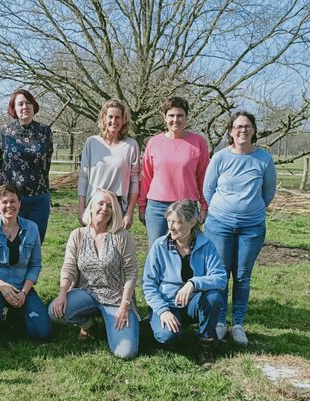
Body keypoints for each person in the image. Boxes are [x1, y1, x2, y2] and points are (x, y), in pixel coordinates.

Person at [203, 111, 277, 346]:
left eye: (247, 126)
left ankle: (238, 324)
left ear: (253, 130)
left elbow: (268, 193)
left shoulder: (263, 159)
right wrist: (226, 210)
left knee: (243, 276)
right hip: (219, 224)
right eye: (237, 126)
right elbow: (208, 190)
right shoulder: (220, 157)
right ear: (230, 131)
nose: (242, 130)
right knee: (221, 274)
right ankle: (220, 322)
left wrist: (248, 210)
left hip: (251, 227)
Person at [49, 189, 139, 359]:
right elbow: (69, 267)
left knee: (125, 353)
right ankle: (89, 326)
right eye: (100, 203)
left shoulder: (122, 236)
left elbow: (131, 272)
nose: (104, 209)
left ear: (114, 212)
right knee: (55, 312)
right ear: (90, 207)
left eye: (110, 206)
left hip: (116, 298)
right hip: (87, 293)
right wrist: (62, 294)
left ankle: (111, 323)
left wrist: (125, 305)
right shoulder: (77, 235)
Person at [142, 200, 226, 368]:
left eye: (177, 222)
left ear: (192, 222)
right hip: (167, 304)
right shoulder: (159, 246)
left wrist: (193, 283)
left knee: (214, 296)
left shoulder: (206, 245)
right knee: (167, 337)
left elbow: (220, 278)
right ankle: (153, 323)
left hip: (193, 304)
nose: (171, 227)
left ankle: (205, 345)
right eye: (169, 221)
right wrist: (163, 310)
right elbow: (148, 284)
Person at [0, 184, 52, 340]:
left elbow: (35, 265)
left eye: (13, 201)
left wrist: (24, 293)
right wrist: (2, 286)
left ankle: (15, 314)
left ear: (20, 203)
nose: (9, 206)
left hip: (21, 286)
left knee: (42, 332)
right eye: (4, 202)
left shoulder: (32, 228)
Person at [138, 97, 210, 248]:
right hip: (157, 207)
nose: (175, 120)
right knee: (158, 250)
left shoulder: (198, 142)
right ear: (164, 117)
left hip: (187, 206)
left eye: (180, 115)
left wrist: (204, 206)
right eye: (171, 115)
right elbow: (145, 177)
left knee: (186, 251)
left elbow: (204, 177)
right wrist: (142, 206)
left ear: (186, 118)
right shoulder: (154, 142)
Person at [0, 89, 53, 242]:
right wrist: (4, 191)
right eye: (20, 104)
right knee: (11, 244)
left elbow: (47, 163)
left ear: (34, 106)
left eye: (28, 103)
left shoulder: (45, 131)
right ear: (14, 108)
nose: (25, 106)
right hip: (11, 200)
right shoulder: (4, 132)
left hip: (39, 199)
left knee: (34, 244)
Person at [77, 99, 140, 230]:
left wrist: (129, 212)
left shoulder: (131, 145)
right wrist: (81, 208)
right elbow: (84, 177)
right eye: (110, 117)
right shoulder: (92, 143)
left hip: (118, 207)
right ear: (104, 118)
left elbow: (135, 181)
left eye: (118, 117)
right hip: (94, 204)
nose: (114, 121)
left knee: (115, 248)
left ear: (123, 120)